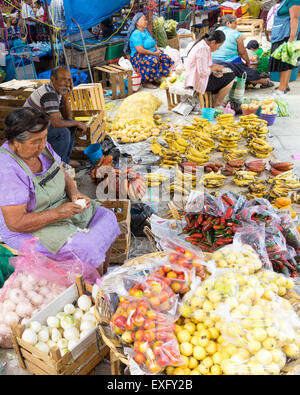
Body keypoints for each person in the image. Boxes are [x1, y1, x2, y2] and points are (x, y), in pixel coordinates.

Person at [0, 108, 121, 276]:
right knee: (87, 248)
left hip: (61, 209)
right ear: (16, 142)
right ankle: (94, 290)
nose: (42, 145)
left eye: (44, 138)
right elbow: (16, 223)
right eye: (35, 141)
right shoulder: (7, 169)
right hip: (29, 228)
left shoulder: (41, 147)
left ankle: (103, 276)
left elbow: (60, 171)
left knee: (107, 218)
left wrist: (74, 193)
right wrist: (58, 213)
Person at [24, 66, 87, 167]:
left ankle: (65, 160)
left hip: (40, 125)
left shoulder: (57, 90)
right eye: (63, 80)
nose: (67, 84)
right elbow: (56, 123)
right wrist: (78, 123)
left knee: (70, 124)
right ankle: (56, 167)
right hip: (29, 132)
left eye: (69, 80)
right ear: (53, 80)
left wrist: (66, 97)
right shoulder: (49, 94)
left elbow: (67, 117)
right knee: (63, 132)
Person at [212, 15, 274, 87]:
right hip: (230, 62)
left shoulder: (214, 32)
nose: (236, 26)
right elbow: (242, 52)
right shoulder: (235, 34)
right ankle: (265, 83)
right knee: (248, 72)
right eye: (235, 23)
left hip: (213, 61)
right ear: (228, 23)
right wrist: (248, 62)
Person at [184, 30, 236, 108]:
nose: (218, 49)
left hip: (194, 78)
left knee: (223, 75)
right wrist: (215, 67)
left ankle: (216, 101)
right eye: (219, 46)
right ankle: (217, 103)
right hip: (196, 81)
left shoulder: (202, 44)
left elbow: (203, 66)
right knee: (231, 76)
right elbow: (203, 72)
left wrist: (214, 67)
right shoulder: (203, 49)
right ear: (213, 42)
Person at [124, 13, 174, 89]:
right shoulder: (136, 34)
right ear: (137, 22)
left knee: (165, 57)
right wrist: (154, 53)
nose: (146, 21)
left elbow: (153, 42)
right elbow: (140, 49)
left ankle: (156, 78)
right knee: (153, 60)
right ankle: (145, 82)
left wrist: (157, 51)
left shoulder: (145, 31)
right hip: (139, 56)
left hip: (152, 53)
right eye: (144, 19)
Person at [269, 0, 300, 94]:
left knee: (284, 61)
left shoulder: (294, 0)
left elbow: (294, 18)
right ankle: (285, 85)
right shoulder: (285, 1)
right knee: (287, 60)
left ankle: (282, 88)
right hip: (281, 33)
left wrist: (292, 37)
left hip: (286, 34)